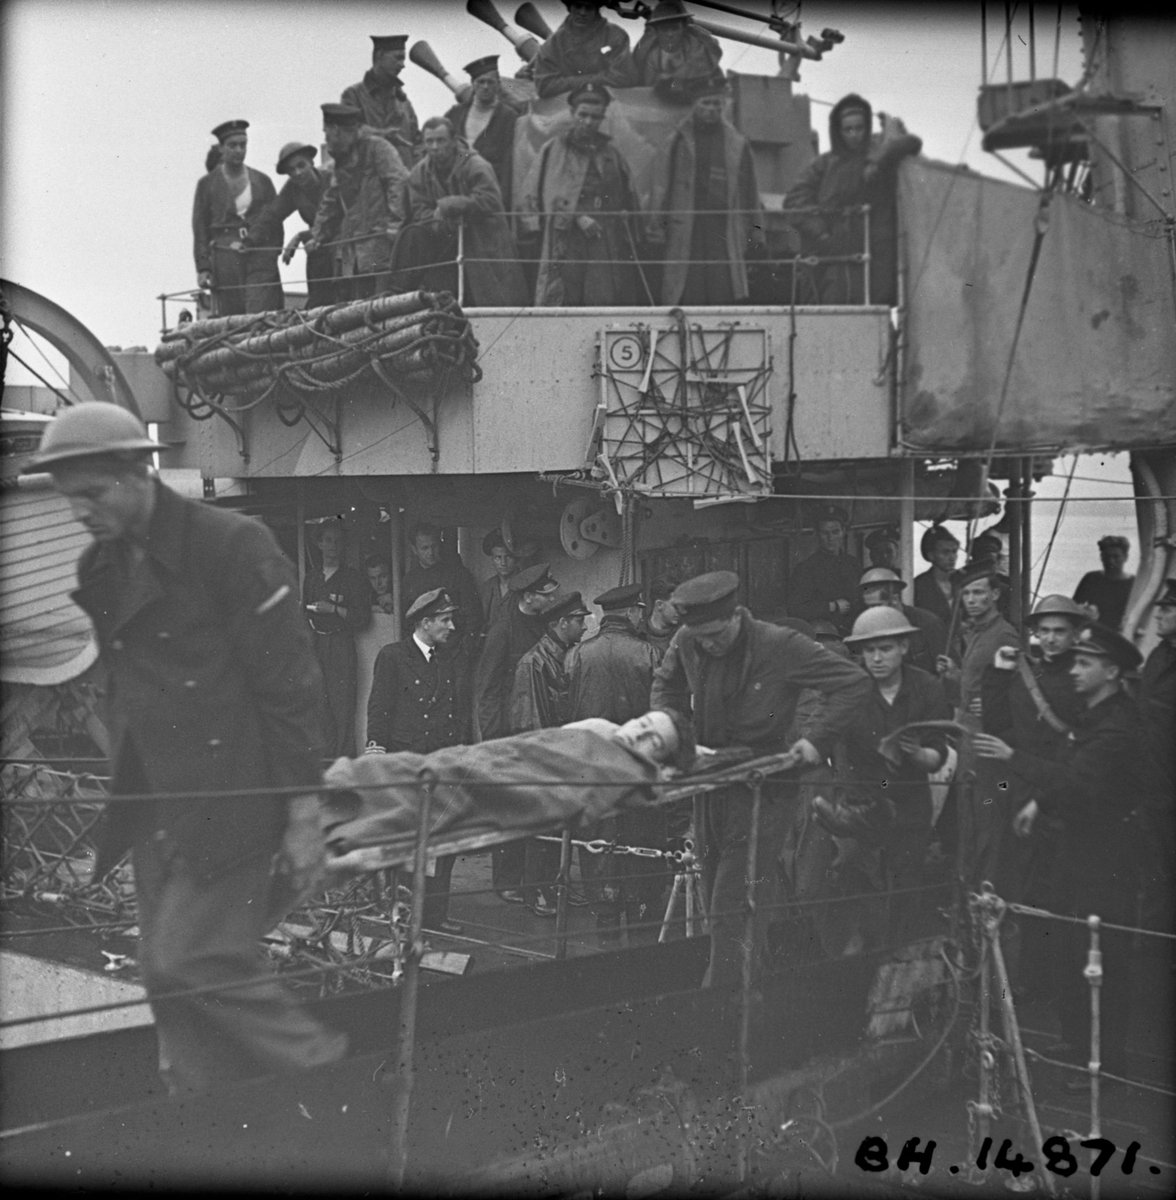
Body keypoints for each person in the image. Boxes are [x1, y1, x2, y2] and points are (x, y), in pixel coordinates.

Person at [22, 403, 346, 1093]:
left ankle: (334, 1085)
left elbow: (290, 688)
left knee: (194, 959)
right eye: (67, 495)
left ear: (141, 472)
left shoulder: (231, 546)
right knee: (163, 979)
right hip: (156, 803)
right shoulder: (102, 563)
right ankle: (207, 1115)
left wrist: (303, 812)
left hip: (233, 796)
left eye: (92, 492)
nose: (78, 510)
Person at [651, 570, 871, 989]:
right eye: (700, 639)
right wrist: (670, 731)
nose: (709, 646)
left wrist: (814, 740)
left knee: (729, 903)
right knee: (719, 892)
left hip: (765, 789)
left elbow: (852, 683)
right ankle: (757, 983)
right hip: (710, 783)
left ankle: (724, 1002)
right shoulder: (688, 640)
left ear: (735, 616)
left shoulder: (780, 645)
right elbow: (666, 686)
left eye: (716, 636)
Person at [974, 625, 1150, 1083]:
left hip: (1107, 857)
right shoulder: (1096, 714)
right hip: (1083, 848)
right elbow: (1073, 777)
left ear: (1111, 672)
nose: (1074, 669)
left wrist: (1015, 758)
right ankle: (1079, 1047)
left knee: (1100, 956)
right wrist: (1039, 802)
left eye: (1085, 663)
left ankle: (1105, 1064)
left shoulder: (1116, 725)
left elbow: (1077, 782)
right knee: (1074, 951)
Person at [816, 606, 951, 949]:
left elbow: (938, 757)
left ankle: (899, 964)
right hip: (861, 804)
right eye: (868, 650)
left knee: (905, 887)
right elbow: (826, 741)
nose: (876, 658)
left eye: (885, 648)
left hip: (909, 804)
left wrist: (918, 754)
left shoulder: (928, 688)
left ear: (904, 647)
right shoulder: (849, 690)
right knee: (856, 880)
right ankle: (859, 962)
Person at [979, 593, 1087, 993]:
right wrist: (997, 674)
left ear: (1076, 634)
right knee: (1021, 886)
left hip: (1065, 794)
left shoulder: (1083, 675)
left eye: (1060, 631)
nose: (1052, 639)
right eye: (1044, 631)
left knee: (1061, 893)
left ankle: (1057, 983)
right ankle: (1031, 980)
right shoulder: (1026, 674)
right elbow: (999, 725)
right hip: (1023, 791)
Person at [365, 588, 469, 933]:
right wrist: (376, 749)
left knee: (442, 842)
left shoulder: (446, 660)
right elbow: (379, 706)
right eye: (445, 620)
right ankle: (401, 913)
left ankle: (435, 916)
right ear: (425, 623)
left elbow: (455, 713)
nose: (451, 626)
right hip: (406, 763)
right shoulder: (393, 657)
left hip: (440, 764)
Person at [569, 583, 663, 942]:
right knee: (641, 842)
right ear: (633, 612)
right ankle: (640, 916)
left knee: (599, 843)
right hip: (638, 769)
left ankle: (606, 917)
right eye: (641, 610)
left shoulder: (577, 655)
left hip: (594, 769)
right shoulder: (649, 654)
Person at [473, 561, 561, 900]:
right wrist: (494, 740)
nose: (551, 599)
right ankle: (507, 881)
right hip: (508, 731)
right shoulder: (503, 629)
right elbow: (487, 688)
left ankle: (533, 880)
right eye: (546, 594)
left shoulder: (539, 621)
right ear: (529, 596)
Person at [784, 93, 922, 305]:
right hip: (833, 258)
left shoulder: (879, 158)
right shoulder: (824, 165)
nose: (854, 135)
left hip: (874, 258)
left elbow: (911, 143)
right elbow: (794, 202)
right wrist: (821, 233)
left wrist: (880, 158)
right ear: (838, 132)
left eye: (859, 128)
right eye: (848, 130)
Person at [520, 82, 645, 307]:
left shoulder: (610, 153)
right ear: (572, 113)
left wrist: (625, 212)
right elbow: (547, 194)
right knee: (564, 294)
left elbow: (626, 193)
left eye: (595, 117)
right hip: (566, 235)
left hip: (603, 236)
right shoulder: (555, 149)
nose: (588, 122)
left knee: (603, 295)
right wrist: (578, 216)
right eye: (583, 115)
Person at [649, 70, 762, 306]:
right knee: (688, 292)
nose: (712, 109)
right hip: (687, 229)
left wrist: (756, 232)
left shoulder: (737, 144)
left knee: (724, 292)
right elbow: (661, 188)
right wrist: (656, 229)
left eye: (717, 104)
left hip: (723, 229)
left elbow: (751, 193)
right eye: (705, 103)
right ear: (694, 104)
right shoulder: (677, 140)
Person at [511, 591, 591, 916]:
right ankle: (537, 893)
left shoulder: (565, 656)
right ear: (561, 624)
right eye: (578, 621)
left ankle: (558, 886)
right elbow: (530, 721)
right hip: (543, 761)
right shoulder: (534, 663)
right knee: (542, 830)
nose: (584, 627)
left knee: (561, 828)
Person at [390, 116, 528, 306]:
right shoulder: (419, 173)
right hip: (446, 245)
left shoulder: (474, 164)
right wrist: (443, 222)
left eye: (441, 140)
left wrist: (451, 204)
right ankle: (398, 296)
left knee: (494, 299)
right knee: (411, 234)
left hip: (483, 243)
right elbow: (419, 211)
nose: (435, 147)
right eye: (429, 141)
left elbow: (491, 200)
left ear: (454, 141)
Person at [305, 103, 408, 302]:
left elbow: (398, 182)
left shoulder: (378, 149)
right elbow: (331, 199)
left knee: (383, 300)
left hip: (382, 242)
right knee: (358, 303)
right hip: (356, 249)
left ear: (336, 131)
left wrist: (396, 223)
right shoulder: (342, 159)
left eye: (327, 134)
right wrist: (317, 236)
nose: (326, 139)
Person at [191, 119, 283, 316]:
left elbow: (275, 220)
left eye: (243, 145)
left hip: (259, 254)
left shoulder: (262, 181)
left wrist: (273, 253)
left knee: (262, 310)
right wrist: (203, 268)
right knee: (233, 314)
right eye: (233, 145)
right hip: (226, 258)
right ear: (222, 149)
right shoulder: (207, 184)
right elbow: (200, 229)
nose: (239, 150)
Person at [303, 520, 372, 759]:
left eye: (338, 541)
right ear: (319, 544)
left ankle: (344, 764)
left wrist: (333, 609)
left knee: (342, 707)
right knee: (319, 705)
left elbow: (363, 618)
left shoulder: (352, 578)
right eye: (328, 540)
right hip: (317, 644)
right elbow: (304, 613)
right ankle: (325, 764)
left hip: (341, 643)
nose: (333, 546)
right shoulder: (312, 578)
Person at [254, 141, 335, 309]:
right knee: (317, 305)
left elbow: (338, 219)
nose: (297, 173)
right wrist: (249, 241)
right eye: (291, 170)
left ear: (311, 163)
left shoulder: (331, 179)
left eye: (301, 165)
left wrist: (301, 236)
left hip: (341, 250)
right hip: (316, 253)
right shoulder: (293, 189)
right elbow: (271, 215)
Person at [445, 56, 520, 211]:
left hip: (490, 193)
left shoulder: (508, 117)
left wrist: (503, 203)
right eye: (481, 82)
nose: (485, 87)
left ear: (499, 85)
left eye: (490, 82)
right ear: (473, 84)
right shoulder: (455, 114)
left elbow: (509, 163)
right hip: (456, 189)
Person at [341, 34, 420, 171]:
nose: (402, 65)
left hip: (403, 180)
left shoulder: (404, 103)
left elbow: (418, 143)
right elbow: (348, 132)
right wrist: (383, 135)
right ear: (380, 55)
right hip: (369, 182)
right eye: (398, 58)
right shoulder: (353, 95)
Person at [532, 0, 638, 100]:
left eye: (589, 8)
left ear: (596, 10)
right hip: (566, 107)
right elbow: (544, 86)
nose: (582, 12)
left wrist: (568, 83)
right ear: (570, 8)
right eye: (578, 6)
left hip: (611, 103)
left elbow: (622, 77)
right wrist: (597, 79)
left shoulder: (615, 36)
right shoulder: (553, 43)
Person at [787, 505, 863, 637]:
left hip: (856, 631)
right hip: (826, 635)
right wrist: (831, 606)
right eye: (825, 533)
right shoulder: (806, 569)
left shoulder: (853, 564)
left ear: (843, 532)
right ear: (817, 534)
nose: (830, 538)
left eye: (835, 532)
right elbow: (795, 609)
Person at [400, 522, 483, 643]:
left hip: (453, 645)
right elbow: (407, 622)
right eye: (425, 548)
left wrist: (466, 648)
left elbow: (473, 615)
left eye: (434, 546)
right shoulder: (409, 581)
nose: (431, 553)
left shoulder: (458, 575)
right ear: (414, 550)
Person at [857, 566, 946, 676]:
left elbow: (947, 669)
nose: (871, 612)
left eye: (877, 606)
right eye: (868, 607)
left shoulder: (928, 623)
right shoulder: (867, 627)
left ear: (894, 599)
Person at [633, 0, 722, 102]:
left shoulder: (703, 56)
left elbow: (712, 90)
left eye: (674, 28)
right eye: (664, 29)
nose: (670, 34)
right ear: (656, 31)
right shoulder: (647, 57)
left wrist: (674, 83)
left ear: (684, 28)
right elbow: (644, 88)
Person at [1073, 534, 1135, 631]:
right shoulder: (1091, 579)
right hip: (1091, 633)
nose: (1111, 561)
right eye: (1107, 556)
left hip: (1120, 636)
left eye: (1116, 557)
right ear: (1101, 557)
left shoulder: (1134, 584)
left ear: (1125, 557)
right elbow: (1073, 607)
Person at [913, 525, 960, 629]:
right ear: (931, 555)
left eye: (954, 551)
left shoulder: (964, 580)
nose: (952, 557)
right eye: (945, 552)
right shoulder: (919, 585)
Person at [478, 528, 518, 630]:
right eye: (498, 558)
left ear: (516, 558)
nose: (503, 563)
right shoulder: (487, 588)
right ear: (492, 560)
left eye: (508, 557)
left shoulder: (526, 585)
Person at [642, 575, 681, 663]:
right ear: (659, 605)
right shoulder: (637, 635)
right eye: (676, 605)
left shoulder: (682, 636)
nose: (681, 610)